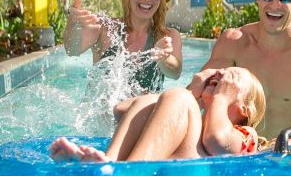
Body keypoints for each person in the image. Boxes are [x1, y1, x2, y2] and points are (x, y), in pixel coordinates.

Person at [117, 0, 291, 149]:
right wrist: (150, 109)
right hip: (230, 147)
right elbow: (195, 90)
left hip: (281, 157)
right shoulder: (234, 41)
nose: (274, 4)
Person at [50, 67, 266, 162]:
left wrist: (220, 97)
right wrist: (192, 89)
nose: (221, 73)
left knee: (180, 98)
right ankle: (107, 165)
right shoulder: (192, 124)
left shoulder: (246, 134)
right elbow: (121, 109)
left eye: (232, 79)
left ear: (246, 109)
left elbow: (217, 143)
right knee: (153, 100)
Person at [64, 0, 182, 93]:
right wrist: (72, 24)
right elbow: (72, 50)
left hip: (145, 111)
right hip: (105, 111)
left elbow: (175, 73)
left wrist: (164, 58)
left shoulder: (167, 35)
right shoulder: (104, 27)